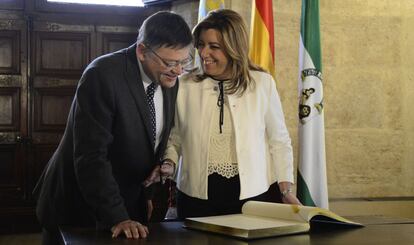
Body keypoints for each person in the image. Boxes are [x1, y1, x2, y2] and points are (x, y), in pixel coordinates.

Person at [33, 11, 193, 244]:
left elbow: (151, 140)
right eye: (170, 62)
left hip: (127, 202)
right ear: (141, 51)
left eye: (184, 61)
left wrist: (145, 195)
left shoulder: (170, 79)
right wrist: (118, 216)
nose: (178, 71)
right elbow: (91, 156)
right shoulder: (102, 75)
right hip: (79, 207)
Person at [162, 9, 301, 219]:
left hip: (251, 196)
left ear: (234, 48)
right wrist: (169, 162)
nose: (203, 53)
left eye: (214, 46)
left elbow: (279, 140)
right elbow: (176, 136)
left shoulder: (262, 83)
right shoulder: (184, 84)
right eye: (201, 44)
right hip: (194, 196)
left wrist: (286, 190)